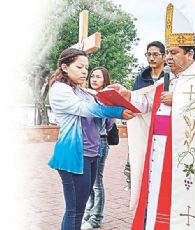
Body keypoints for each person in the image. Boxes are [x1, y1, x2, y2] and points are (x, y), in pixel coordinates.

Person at [110, 3, 195, 229]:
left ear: (190, 53)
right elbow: (147, 103)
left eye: (174, 53)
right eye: (168, 53)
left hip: (182, 154)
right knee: (157, 202)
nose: (169, 58)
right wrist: (127, 95)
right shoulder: (170, 80)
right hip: (161, 151)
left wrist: (180, 100)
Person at [48, 48, 135, 230]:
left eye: (86, 68)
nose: (84, 72)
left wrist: (117, 92)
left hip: (92, 154)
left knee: (79, 209)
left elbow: (99, 98)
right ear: (65, 67)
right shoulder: (59, 90)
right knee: (74, 210)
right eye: (79, 67)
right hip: (73, 156)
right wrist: (118, 112)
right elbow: (87, 109)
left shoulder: (81, 91)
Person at [127, 41, 166, 211]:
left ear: (164, 56)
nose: (151, 58)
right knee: (141, 167)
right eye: (148, 54)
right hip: (143, 130)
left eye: (155, 54)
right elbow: (136, 102)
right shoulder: (141, 78)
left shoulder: (170, 77)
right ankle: (143, 208)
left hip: (163, 130)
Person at [81, 67, 114, 229]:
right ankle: (88, 213)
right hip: (86, 142)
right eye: (92, 76)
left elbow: (109, 123)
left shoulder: (106, 98)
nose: (94, 79)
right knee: (88, 181)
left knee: (96, 182)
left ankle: (96, 218)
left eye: (98, 77)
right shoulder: (85, 95)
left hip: (100, 141)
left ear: (105, 80)